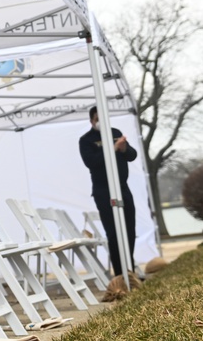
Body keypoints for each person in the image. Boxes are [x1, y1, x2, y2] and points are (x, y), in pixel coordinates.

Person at [78, 105, 137, 277]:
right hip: (103, 191)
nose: (100, 123)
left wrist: (123, 148)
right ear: (91, 121)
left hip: (123, 188)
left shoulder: (115, 132)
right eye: (97, 120)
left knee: (129, 231)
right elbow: (92, 162)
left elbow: (132, 155)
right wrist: (112, 148)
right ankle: (120, 274)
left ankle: (130, 270)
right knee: (113, 233)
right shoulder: (86, 140)